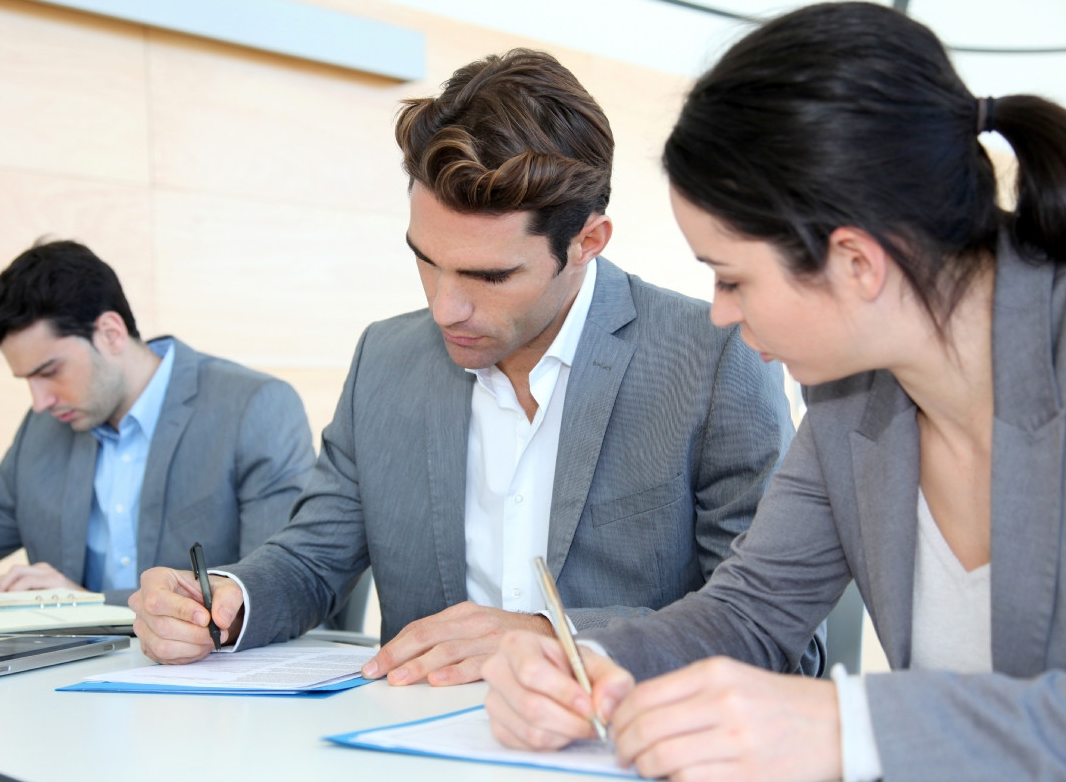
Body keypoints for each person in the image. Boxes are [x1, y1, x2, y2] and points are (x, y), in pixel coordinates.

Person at [481, 0, 1066, 782]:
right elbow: (748, 613)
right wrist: (580, 663)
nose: (722, 315)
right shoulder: (850, 400)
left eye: (731, 279)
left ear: (857, 262)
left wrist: (849, 727)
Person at [130, 48, 812, 685]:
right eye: (425, 260)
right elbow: (311, 561)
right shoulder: (384, 360)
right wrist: (223, 601)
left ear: (587, 243)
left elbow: (773, 631)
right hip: (407, 747)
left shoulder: (715, 357)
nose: (444, 308)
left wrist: (554, 636)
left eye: (488, 276)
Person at [0, 240, 315, 606]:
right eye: (27, 380)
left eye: (49, 372)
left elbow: (276, 584)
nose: (39, 401)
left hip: (212, 689)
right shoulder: (45, 427)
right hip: (65, 687)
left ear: (111, 333)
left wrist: (89, 604)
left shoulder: (253, 407)